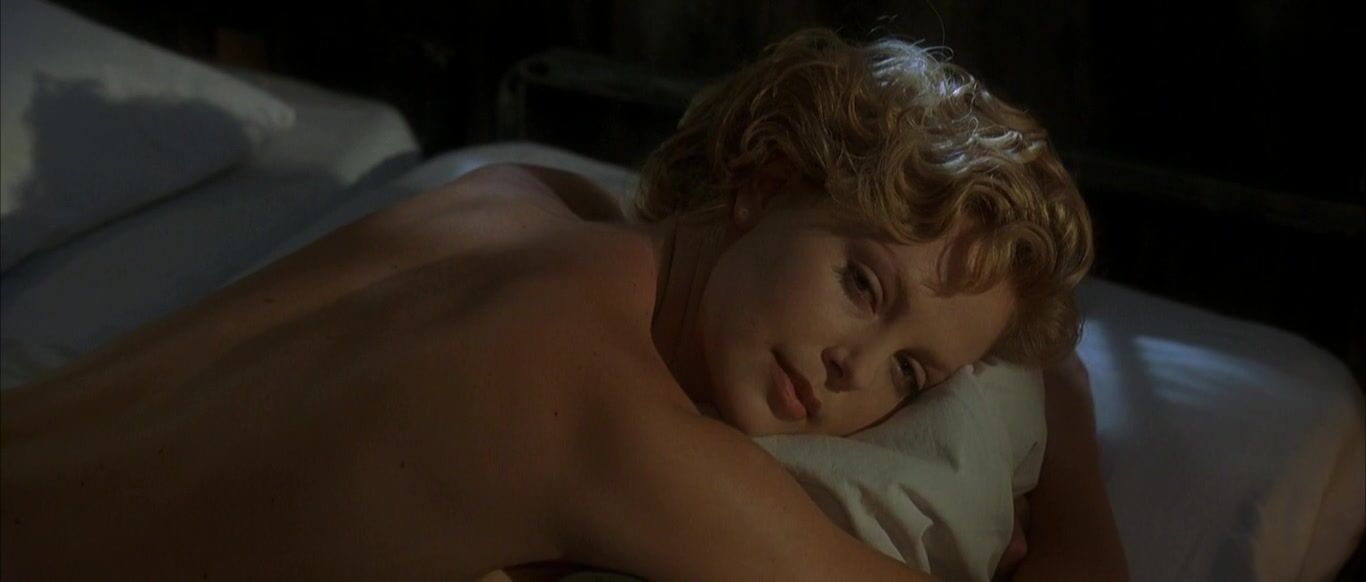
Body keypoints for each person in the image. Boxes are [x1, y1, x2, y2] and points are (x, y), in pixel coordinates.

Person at [1, 28, 1126, 580]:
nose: (852, 371)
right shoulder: (621, 432)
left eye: (911, 373)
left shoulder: (518, 196)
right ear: (764, 177)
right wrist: (1068, 439)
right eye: (861, 284)